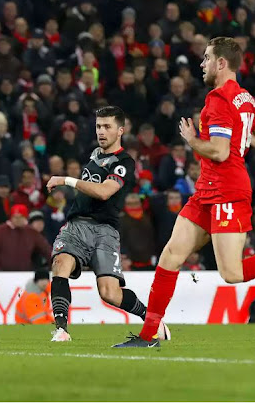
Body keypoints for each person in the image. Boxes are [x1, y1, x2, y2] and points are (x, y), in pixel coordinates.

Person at [115, 37, 255, 348]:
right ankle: (148, 336)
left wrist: (191, 139)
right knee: (170, 257)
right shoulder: (246, 99)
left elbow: (220, 152)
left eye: (206, 58)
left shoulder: (219, 98)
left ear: (221, 63)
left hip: (227, 191)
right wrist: (243, 138)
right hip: (206, 192)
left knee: (232, 273)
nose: (202, 64)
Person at [46, 106, 171, 342]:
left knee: (109, 293)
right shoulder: (95, 155)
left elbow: (105, 192)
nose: (101, 131)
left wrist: (66, 180)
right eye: (98, 126)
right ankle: (61, 329)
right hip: (76, 226)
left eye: (107, 127)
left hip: (105, 231)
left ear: (120, 130)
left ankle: (152, 320)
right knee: (60, 263)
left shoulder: (124, 162)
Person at [0, 204, 52, 271]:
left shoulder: (31, 232)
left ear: (25, 217)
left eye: (20, 217)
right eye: (15, 217)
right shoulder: (1, 230)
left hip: (25, 275)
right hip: (4, 275)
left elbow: (47, 250)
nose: (17, 219)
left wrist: (54, 267)